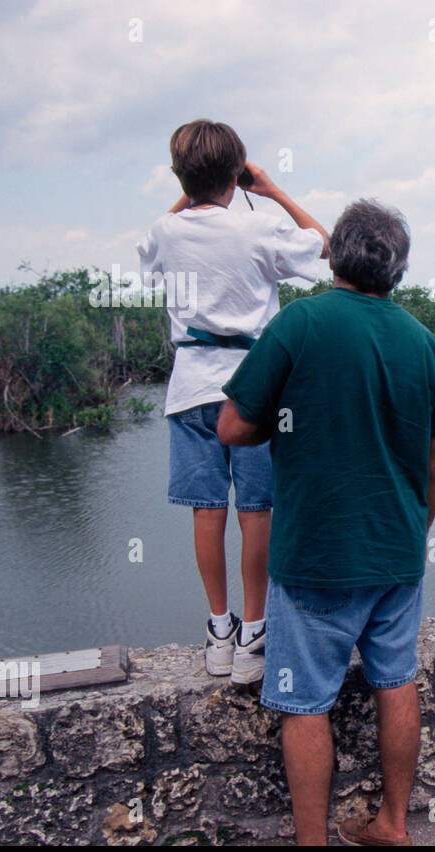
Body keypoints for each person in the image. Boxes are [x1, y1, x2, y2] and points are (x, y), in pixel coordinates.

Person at [217, 199, 435, 847]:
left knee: (304, 704)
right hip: (397, 556)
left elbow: (232, 426)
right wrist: (416, 525)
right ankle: (393, 824)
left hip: (315, 557)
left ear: (336, 255)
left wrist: (288, 418)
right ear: (398, 267)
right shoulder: (426, 345)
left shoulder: (301, 324)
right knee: (396, 681)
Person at [137, 119, 329, 685]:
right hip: (251, 388)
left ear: (180, 175)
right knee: (256, 511)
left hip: (190, 387)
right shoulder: (258, 228)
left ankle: (218, 628)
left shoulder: (166, 231)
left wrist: (193, 187)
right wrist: (270, 190)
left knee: (207, 510)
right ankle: (255, 630)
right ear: (236, 175)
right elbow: (325, 245)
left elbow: (158, 237)